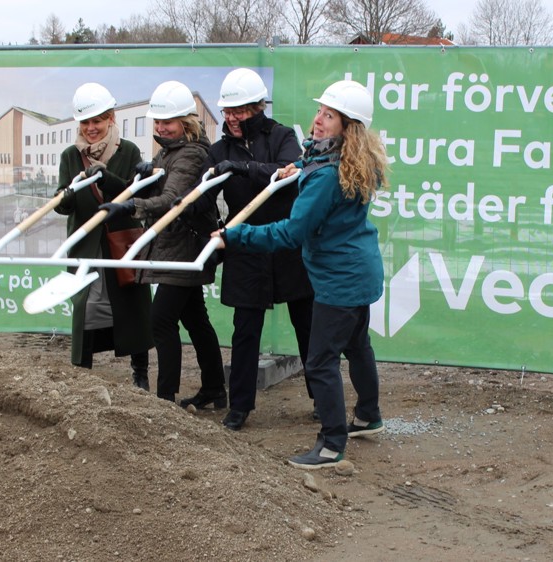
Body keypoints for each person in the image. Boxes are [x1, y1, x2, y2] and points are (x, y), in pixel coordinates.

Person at [212, 80, 389, 469]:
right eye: (320, 112)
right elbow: (319, 164)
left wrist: (235, 236)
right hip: (360, 271)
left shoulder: (328, 176)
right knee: (358, 346)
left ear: (349, 127)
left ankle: (330, 444)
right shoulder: (347, 160)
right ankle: (368, 415)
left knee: (321, 361)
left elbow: (292, 232)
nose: (318, 120)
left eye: (329, 115)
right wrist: (302, 164)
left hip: (339, 279)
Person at [189, 68, 314, 431]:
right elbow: (204, 197)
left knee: (307, 326)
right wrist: (197, 206)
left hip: (286, 244)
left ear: (259, 107)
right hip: (244, 245)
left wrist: (243, 169)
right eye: (227, 112)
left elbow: (286, 173)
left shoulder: (282, 136)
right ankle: (239, 406)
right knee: (245, 332)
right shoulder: (218, 150)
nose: (232, 118)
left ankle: (321, 397)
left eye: (240, 111)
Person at [99, 80, 225, 404]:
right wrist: (135, 181)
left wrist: (131, 206)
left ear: (186, 123)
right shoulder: (170, 151)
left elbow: (172, 200)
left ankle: (165, 398)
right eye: (157, 122)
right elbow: (152, 187)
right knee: (196, 320)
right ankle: (215, 388)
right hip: (177, 247)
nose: (161, 127)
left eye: (167, 122)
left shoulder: (191, 155)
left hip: (184, 249)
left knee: (161, 321)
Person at [54, 82, 153, 389]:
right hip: (86, 243)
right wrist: (66, 196)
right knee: (85, 306)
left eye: (97, 120)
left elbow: (132, 196)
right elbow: (63, 202)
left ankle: (140, 372)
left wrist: (105, 179)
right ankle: (80, 371)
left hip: (122, 242)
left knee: (133, 305)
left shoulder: (129, 151)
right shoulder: (71, 155)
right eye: (85, 122)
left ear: (111, 118)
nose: (91, 128)